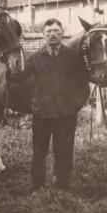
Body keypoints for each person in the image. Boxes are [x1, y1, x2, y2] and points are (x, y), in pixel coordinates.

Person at [26, 18, 84, 192]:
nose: (52, 34)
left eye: (56, 31)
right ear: (43, 34)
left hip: (66, 114)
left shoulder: (74, 57)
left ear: (62, 33)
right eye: (49, 31)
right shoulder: (35, 58)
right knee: (39, 151)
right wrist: (11, 69)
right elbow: (19, 79)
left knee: (65, 150)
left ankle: (63, 185)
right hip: (42, 114)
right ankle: (37, 186)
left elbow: (82, 82)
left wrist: (76, 104)